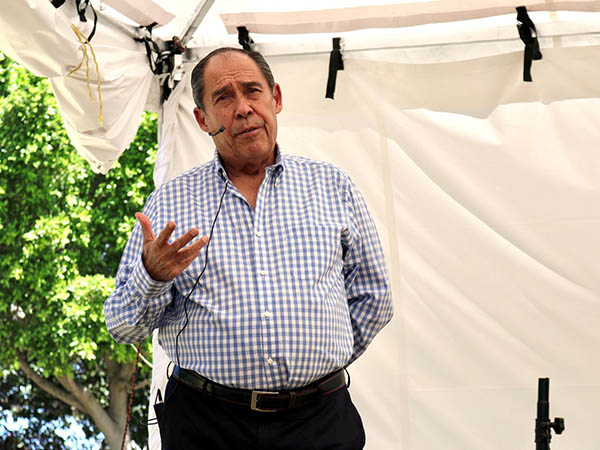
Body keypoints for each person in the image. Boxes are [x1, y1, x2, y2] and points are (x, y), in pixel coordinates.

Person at [104, 47, 393, 449]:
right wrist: (151, 277)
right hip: (206, 425)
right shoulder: (169, 204)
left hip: (320, 422)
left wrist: (321, 364)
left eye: (252, 91)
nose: (242, 108)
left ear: (276, 98)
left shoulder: (332, 186)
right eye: (223, 98)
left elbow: (374, 297)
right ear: (202, 120)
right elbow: (122, 326)